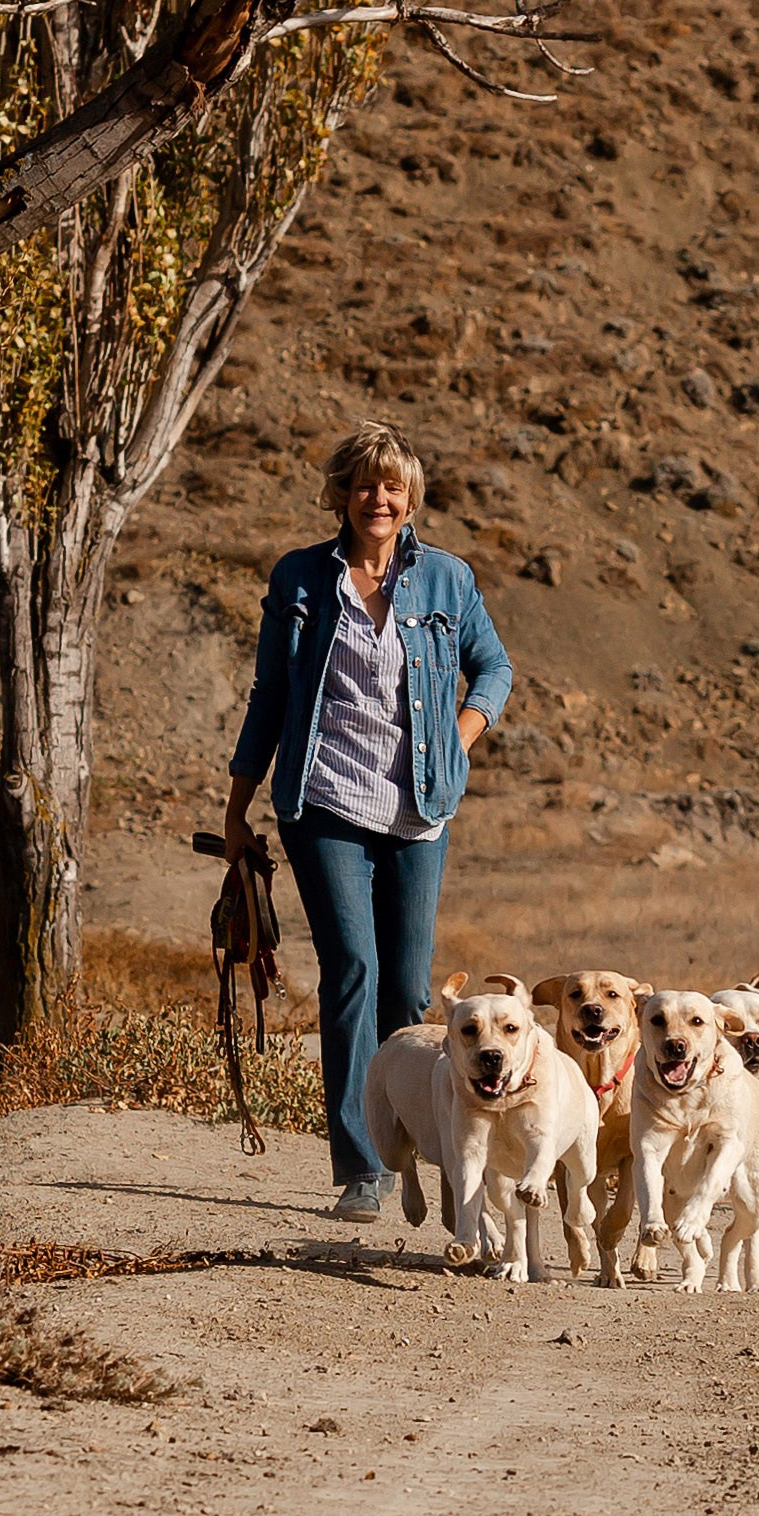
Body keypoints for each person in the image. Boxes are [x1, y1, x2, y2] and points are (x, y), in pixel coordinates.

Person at [222, 419, 513, 1219]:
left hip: (421, 807)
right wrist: (238, 807)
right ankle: (360, 1167)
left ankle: (410, 1138)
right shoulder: (302, 579)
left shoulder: (448, 581)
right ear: (342, 496)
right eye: (364, 485)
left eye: (392, 486)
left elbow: (494, 667)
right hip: (326, 802)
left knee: (409, 987)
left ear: (411, 497)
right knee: (352, 968)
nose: (378, 498)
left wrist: (460, 738)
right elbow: (271, 700)